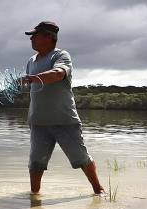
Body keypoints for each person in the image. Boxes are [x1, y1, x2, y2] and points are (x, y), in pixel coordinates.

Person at [20, 21, 105, 196]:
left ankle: (99, 190)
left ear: (48, 37)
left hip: (64, 119)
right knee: (35, 162)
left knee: (80, 158)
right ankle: (34, 197)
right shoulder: (31, 61)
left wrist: (31, 78)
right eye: (31, 36)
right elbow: (32, 91)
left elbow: (58, 74)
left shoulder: (60, 56)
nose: (32, 39)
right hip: (39, 122)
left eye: (35, 35)